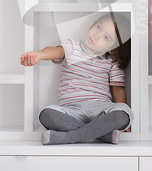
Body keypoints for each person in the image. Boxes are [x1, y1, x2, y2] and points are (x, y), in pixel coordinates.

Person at [21, 13, 132, 145]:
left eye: (106, 37)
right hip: (70, 111)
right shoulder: (73, 47)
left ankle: (68, 137)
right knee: (47, 115)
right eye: (98, 27)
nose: (97, 35)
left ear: (113, 50)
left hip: (100, 110)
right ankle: (102, 135)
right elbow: (55, 51)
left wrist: (127, 121)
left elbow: (118, 90)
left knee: (124, 114)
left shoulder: (111, 61)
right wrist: (39, 54)